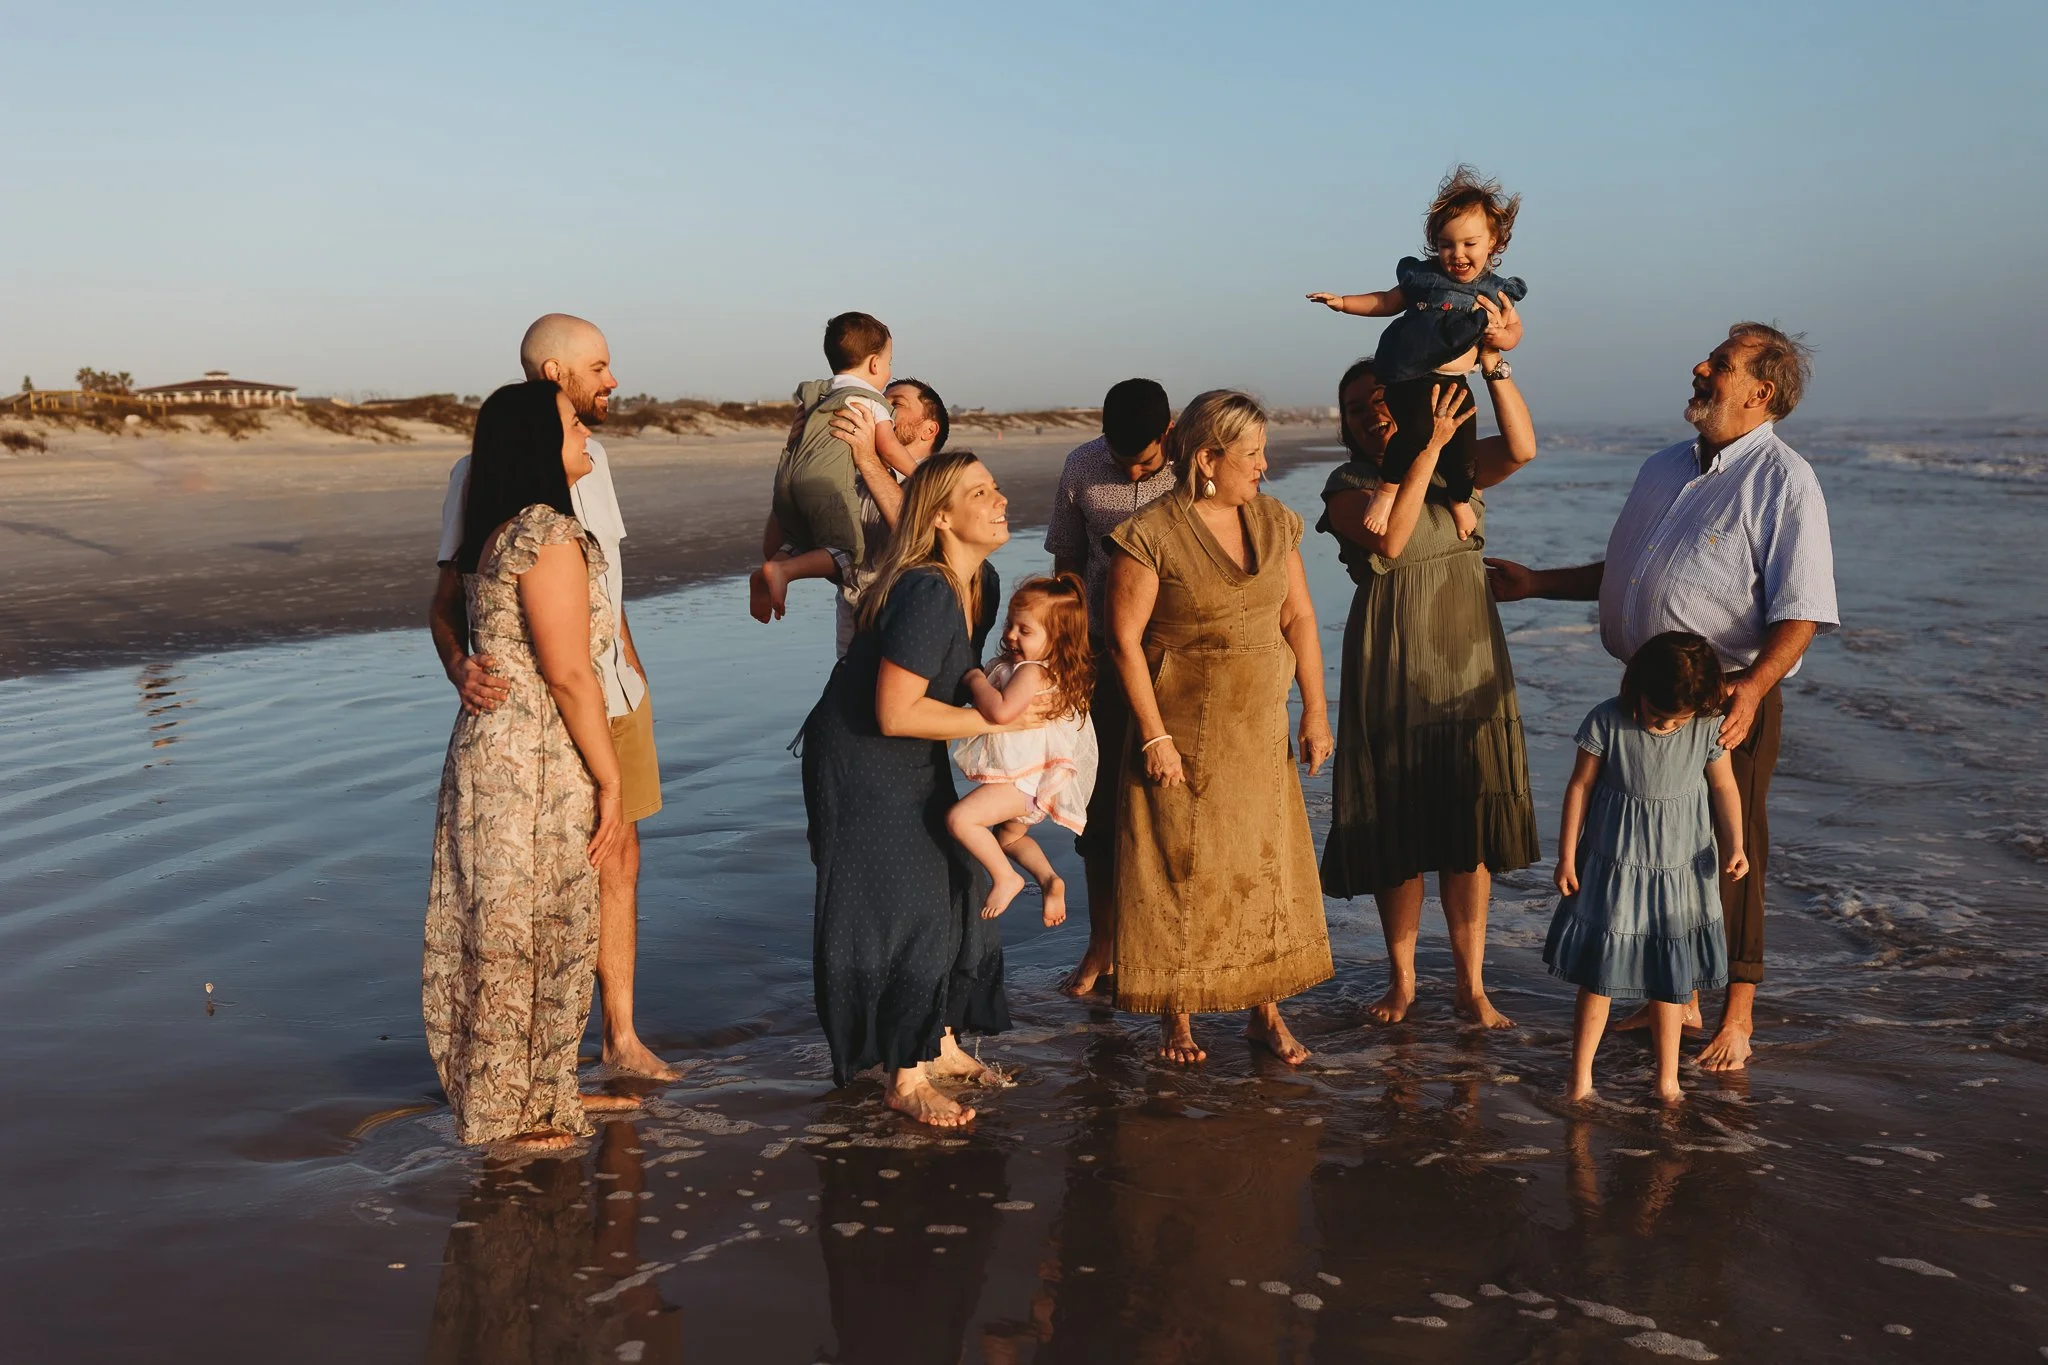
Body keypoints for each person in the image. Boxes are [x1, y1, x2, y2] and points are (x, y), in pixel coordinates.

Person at [1488, 322, 1838, 1070]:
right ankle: (1661, 1001)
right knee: (1644, 849)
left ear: (1760, 392)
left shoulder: (1784, 481)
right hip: (1641, 697)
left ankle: (1736, 1016)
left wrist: (1751, 688)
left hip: (1722, 701)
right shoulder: (1663, 467)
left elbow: (1802, 609)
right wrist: (1539, 585)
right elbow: (1626, 573)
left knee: (1727, 854)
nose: (1699, 367)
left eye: (1721, 364)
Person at [428, 313, 673, 1079]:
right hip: (550, 703)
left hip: (615, 692)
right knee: (547, 878)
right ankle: (537, 1066)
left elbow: (608, 584)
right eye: (598, 366)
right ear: (554, 376)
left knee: (621, 857)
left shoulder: (592, 461)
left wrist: (631, 670)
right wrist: (459, 665)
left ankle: (622, 1038)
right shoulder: (484, 473)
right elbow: (447, 597)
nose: (613, 379)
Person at [1316, 324, 1539, 1030]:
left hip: (1468, 649)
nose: (1372, 411)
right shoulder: (1347, 485)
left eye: (1381, 397)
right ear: (1346, 426)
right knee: (1399, 824)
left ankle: (1471, 985)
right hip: (1393, 656)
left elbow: (1525, 449)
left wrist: (1495, 370)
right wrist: (1428, 450)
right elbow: (1392, 536)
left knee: (1466, 823)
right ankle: (1403, 979)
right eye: (1356, 408)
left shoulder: (1460, 467)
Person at [423, 380, 627, 1148]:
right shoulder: (544, 532)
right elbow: (570, 673)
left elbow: (444, 609)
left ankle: (533, 1096)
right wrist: (611, 780)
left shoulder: (494, 528)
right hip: (534, 754)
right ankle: (516, 1114)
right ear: (540, 441)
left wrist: (458, 664)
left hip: (489, 745)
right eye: (573, 423)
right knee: (533, 926)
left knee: (500, 923)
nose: (586, 435)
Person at [800, 451, 1029, 1126]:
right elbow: (895, 711)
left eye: (996, 485)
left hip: (905, 753)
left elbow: (956, 684)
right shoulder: (928, 590)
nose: (1001, 498)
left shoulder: (976, 580)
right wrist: (993, 718)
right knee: (910, 908)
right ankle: (903, 1074)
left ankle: (941, 1041)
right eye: (980, 491)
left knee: (959, 882)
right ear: (940, 517)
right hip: (864, 759)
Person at [1105, 390, 1334, 1066]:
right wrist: (1154, 737)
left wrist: (1316, 710)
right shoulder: (1151, 533)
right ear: (1208, 457)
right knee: (1180, 871)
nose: (1264, 464)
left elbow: (1299, 620)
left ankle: (1265, 1010)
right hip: (1180, 725)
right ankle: (1177, 1016)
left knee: (1263, 868)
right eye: (1252, 453)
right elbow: (1122, 638)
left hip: (1260, 728)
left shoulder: (1274, 520)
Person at [1547, 632, 1748, 1105]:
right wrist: (1565, 855)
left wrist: (1736, 843)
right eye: (1657, 715)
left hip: (1678, 870)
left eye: (1675, 720)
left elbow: (1724, 786)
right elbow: (1579, 786)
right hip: (1615, 867)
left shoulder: (1704, 725)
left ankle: (1667, 1079)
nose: (1664, 726)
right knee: (1599, 976)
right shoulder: (1607, 721)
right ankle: (1580, 1079)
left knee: (1671, 978)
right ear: (1635, 686)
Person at [1042, 378, 1177, 997]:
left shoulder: (1199, 464)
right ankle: (1104, 945)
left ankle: (1173, 949)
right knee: (1098, 809)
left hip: (1179, 655)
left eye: (1143, 459)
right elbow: (1066, 563)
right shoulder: (1083, 465)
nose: (1129, 468)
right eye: (1120, 455)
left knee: (1173, 806)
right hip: (1100, 653)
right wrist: (1061, 654)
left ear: (1169, 431)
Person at [1308, 164, 1527, 541]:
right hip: (1411, 373)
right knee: (1420, 430)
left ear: (1493, 242)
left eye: (1469, 244)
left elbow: (1513, 331)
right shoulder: (1423, 279)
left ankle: (1459, 499)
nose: (1456, 254)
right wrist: (1344, 302)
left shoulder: (1495, 291)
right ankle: (1388, 489)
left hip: (1455, 381)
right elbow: (1386, 301)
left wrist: (1497, 343)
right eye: (1446, 244)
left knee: (1461, 451)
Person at [749, 312, 918, 622]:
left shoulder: (816, 396)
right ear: (874, 364)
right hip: (825, 485)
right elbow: (889, 447)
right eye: (890, 361)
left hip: (788, 479)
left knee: (799, 541)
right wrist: (921, 474)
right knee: (845, 551)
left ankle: (775, 567)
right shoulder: (869, 401)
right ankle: (783, 570)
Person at [948, 573, 1098, 923]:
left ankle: (1006, 878)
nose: (1012, 635)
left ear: (1057, 639)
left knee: (961, 820)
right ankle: (1049, 880)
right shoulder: (1025, 667)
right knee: (1008, 839)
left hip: (1021, 783)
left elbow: (1001, 712)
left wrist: (973, 678)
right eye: (1010, 625)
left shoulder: (1032, 671)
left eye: (1025, 631)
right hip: (1028, 784)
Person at [815, 377, 950, 657]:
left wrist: (867, 459)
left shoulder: (945, 482)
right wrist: (797, 453)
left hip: (910, 627)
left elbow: (914, 538)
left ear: (929, 430)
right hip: (852, 629)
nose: (880, 408)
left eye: (895, 404)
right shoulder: (858, 481)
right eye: (878, 400)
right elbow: (792, 548)